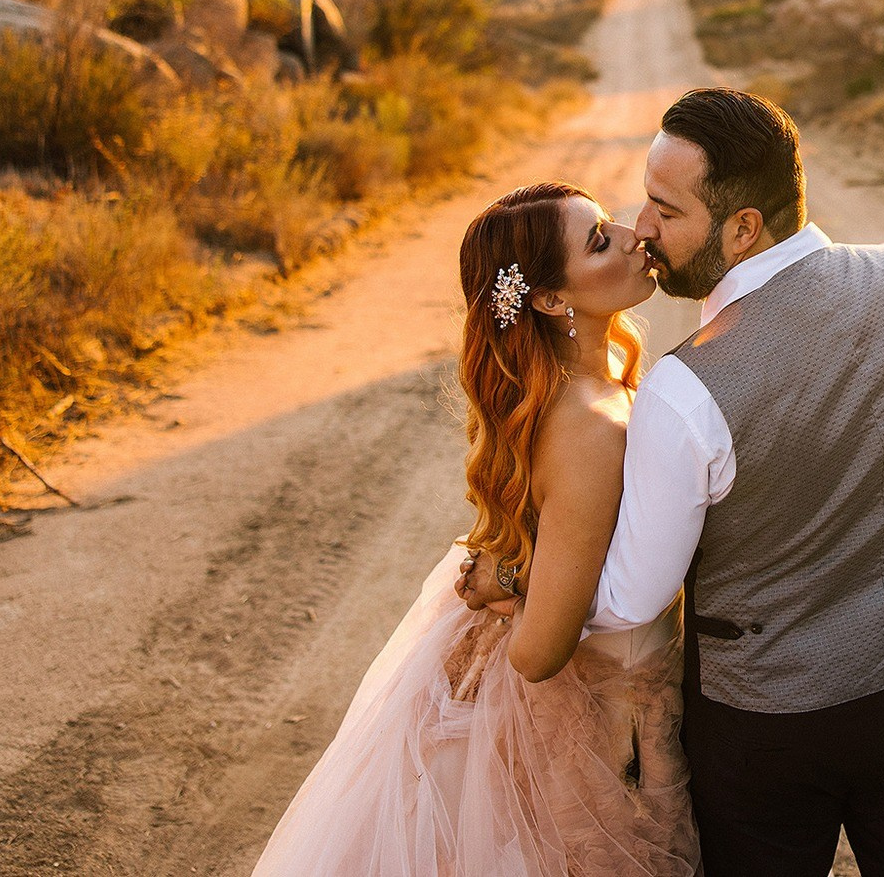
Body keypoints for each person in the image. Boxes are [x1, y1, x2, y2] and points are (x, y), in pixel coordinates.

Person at [463, 88, 884, 876]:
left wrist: (520, 579)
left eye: (664, 209)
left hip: (764, 729)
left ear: (742, 227)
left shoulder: (685, 390)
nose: (642, 227)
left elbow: (630, 599)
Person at [255, 181, 701, 876]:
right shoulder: (588, 427)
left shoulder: (583, 384)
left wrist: (514, 573)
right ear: (552, 301)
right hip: (588, 725)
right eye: (598, 239)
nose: (630, 236)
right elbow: (537, 653)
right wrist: (523, 578)